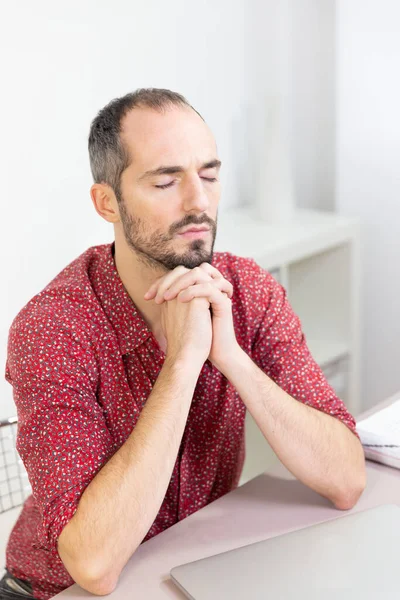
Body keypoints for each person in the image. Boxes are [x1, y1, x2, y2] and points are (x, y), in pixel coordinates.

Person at [2, 88, 366, 600]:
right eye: (166, 180)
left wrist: (231, 357)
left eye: (209, 175)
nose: (199, 201)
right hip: (55, 591)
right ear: (107, 201)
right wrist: (182, 362)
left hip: (188, 567)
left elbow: (346, 479)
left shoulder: (248, 291)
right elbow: (95, 565)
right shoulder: (53, 329)